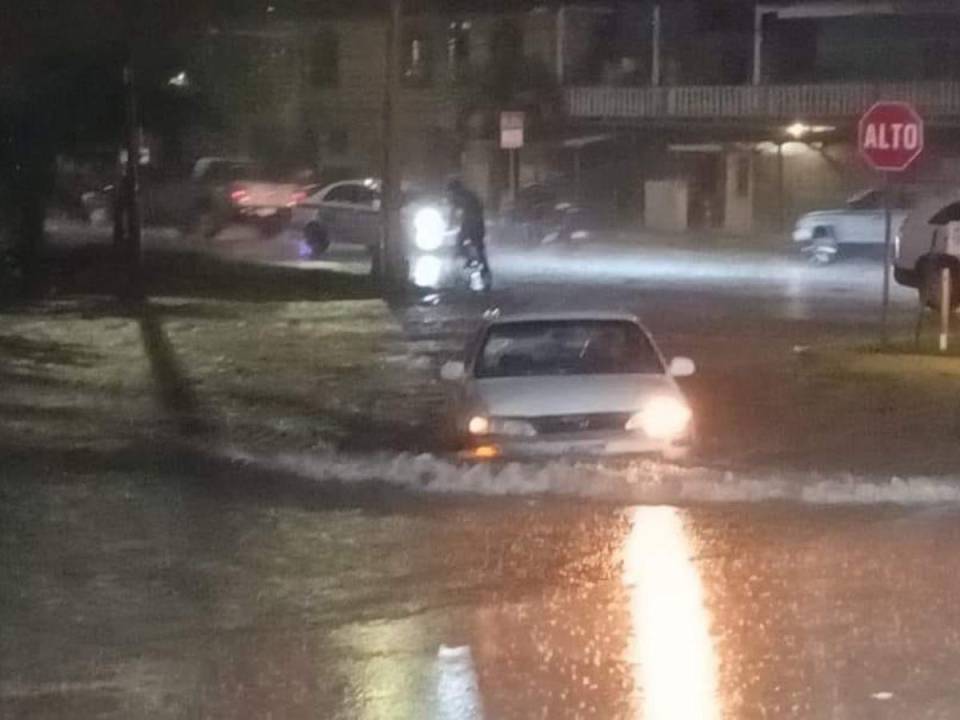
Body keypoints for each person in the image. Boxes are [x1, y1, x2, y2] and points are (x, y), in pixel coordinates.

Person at [446, 178, 491, 288]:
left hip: (471, 222)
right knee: (478, 245)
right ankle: (481, 265)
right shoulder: (469, 195)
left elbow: (454, 210)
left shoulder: (461, 197)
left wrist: (450, 223)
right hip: (475, 222)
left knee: (462, 243)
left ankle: (471, 260)